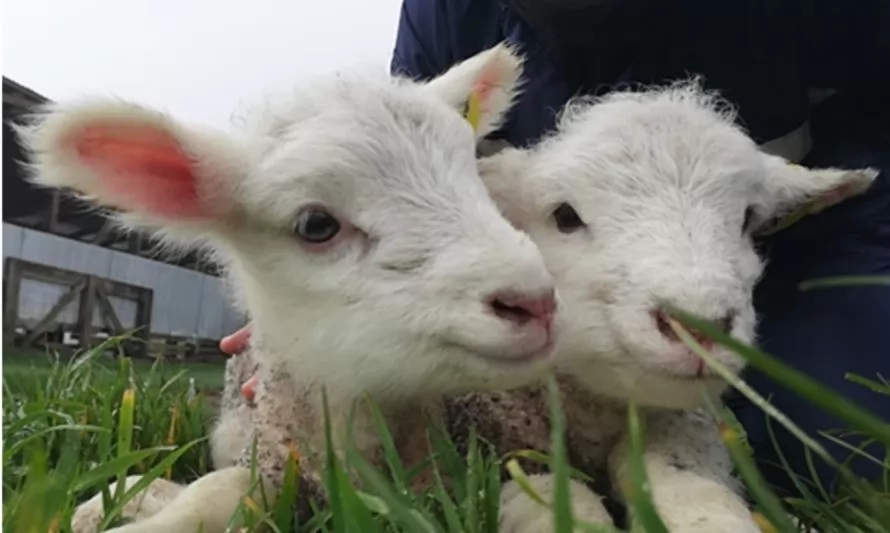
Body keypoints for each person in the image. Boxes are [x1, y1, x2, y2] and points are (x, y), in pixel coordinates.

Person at [223, 0, 889, 496]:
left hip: (808, 252)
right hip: (531, 276)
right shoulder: (450, 14)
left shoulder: (830, 17)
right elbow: (399, 176)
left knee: (837, 446)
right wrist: (312, 291)